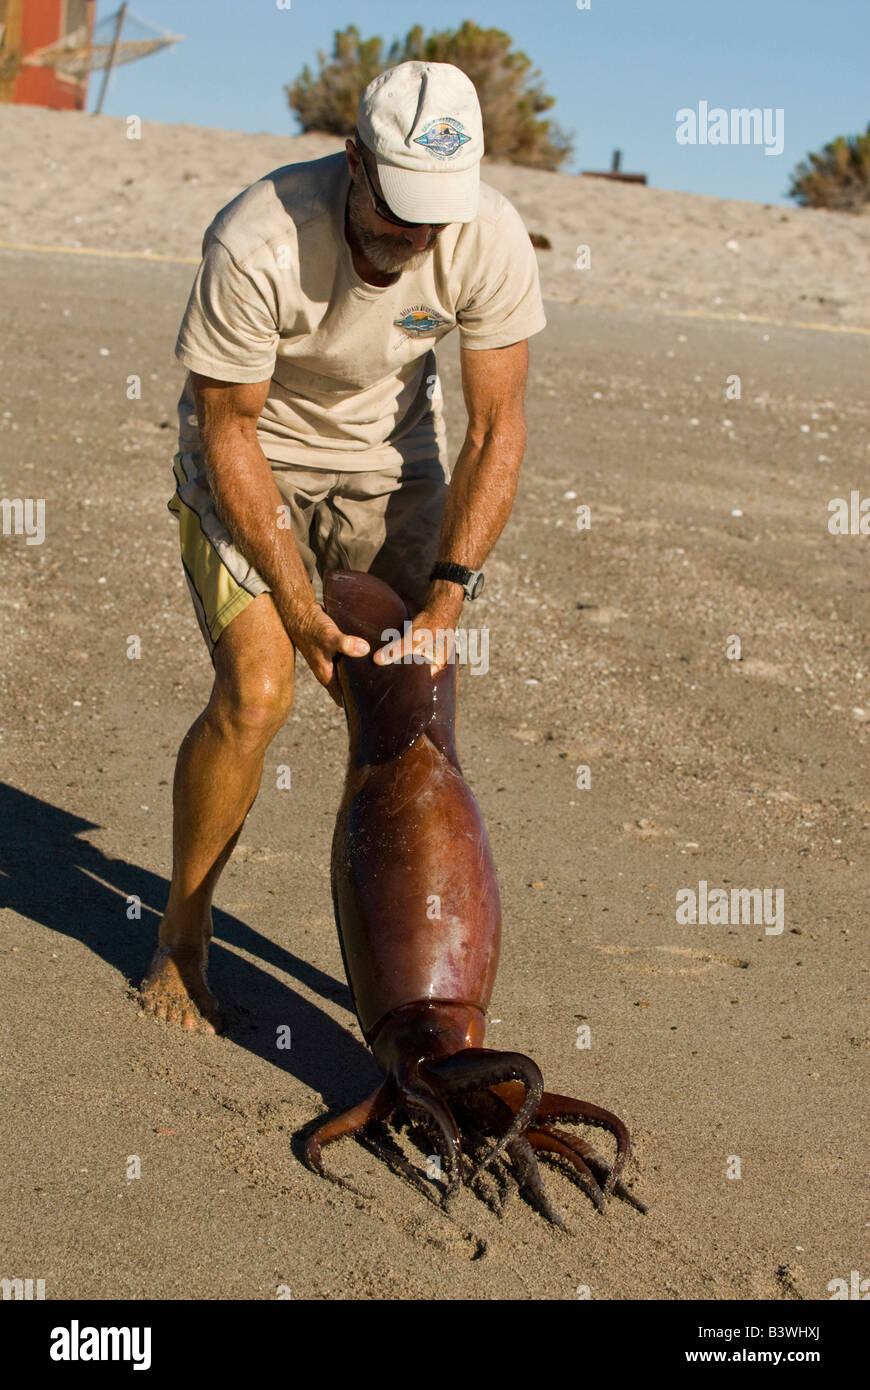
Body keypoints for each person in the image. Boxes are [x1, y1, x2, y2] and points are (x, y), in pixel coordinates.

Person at [139, 60, 547, 1032]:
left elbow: (497, 428)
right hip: (254, 453)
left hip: (390, 464)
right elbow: (228, 427)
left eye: (433, 219)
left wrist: (448, 597)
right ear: (355, 160)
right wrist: (291, 591)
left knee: (412, 711)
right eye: (398, 208)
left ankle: (417, 995)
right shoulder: (259, 238)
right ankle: (182, 939)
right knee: (260, 692)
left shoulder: (485, 239)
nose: (413, 238)